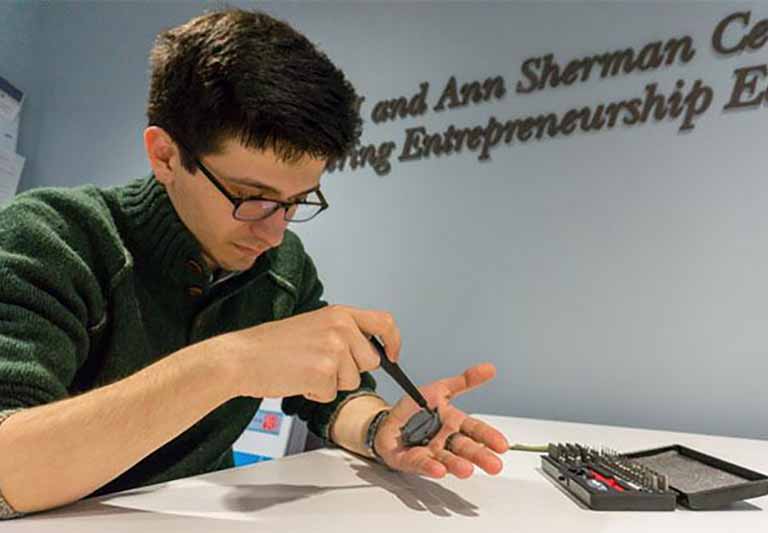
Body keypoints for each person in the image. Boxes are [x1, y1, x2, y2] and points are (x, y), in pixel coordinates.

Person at [0, 8, 509, 519]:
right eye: (251, 197)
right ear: (166, 156)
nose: (273, 232)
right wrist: (234, 362)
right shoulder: (53, 237)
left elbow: (327, 400)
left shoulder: (284, 265)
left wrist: (380, 430)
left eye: (297, 201)